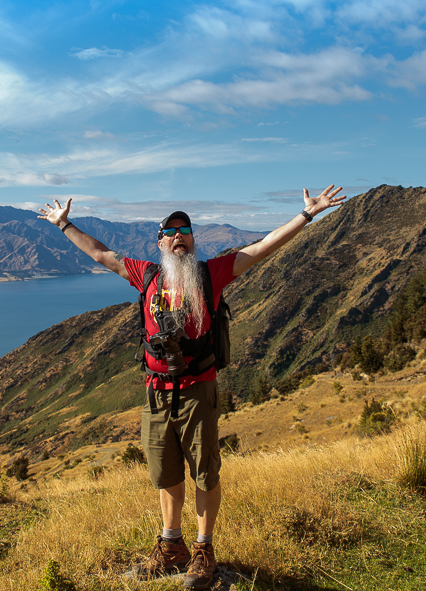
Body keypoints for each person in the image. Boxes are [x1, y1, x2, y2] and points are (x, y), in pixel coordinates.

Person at [39, 186, 345, 589]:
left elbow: (264, 247)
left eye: (186, 230)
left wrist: (308, 215)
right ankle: (171, 547)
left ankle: (204, 549)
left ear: (192, 240)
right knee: (165, 473)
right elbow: (100, 254)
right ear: (161, 242)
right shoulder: (145, 274)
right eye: (172, 231)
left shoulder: (210, 274)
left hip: (198, 388)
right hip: (155, 391)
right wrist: (64, 225)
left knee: (205, 473)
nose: (180, 235)